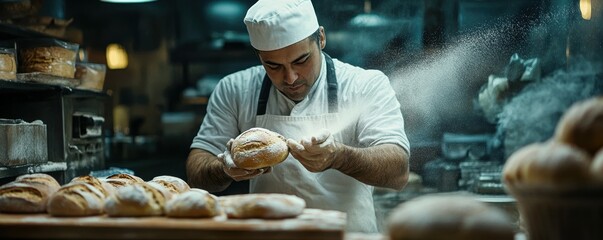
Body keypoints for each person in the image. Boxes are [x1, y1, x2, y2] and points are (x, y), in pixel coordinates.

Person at [186, 0, 410, 233]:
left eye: (301, 60)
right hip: (269, 237)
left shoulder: (365, 85)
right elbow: (196, 170)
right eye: (273, 66)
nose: (290, 78)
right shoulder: (234, 90)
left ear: (321, 38)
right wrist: (224, 168)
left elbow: (398, 172)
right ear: (259, 56)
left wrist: (339, 157)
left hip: (348, 235)